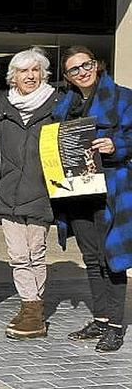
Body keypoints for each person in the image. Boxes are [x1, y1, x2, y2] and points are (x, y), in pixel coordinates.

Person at [53, 46, 132, 352]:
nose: (82, 72)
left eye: (86, 65)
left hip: (111, 188)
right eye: (74, 69)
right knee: (90, 257)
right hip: (76, 191)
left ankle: (114, 325)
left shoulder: (123, 97)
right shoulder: (66, 106)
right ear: (68, 77)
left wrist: (117, 145)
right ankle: (99, 318)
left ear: (97, 65)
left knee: (111, 257)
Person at [0, 48, 60, 340]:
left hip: (40, 189)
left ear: (43, 74)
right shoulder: (2, 105)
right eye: (23, 71)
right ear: (13, 77)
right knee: (18, 255)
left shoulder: (57, 104)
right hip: (8, 189)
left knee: (35, 253)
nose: (30, 76)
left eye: (35, 70)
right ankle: (30, 305)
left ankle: (33, 311)